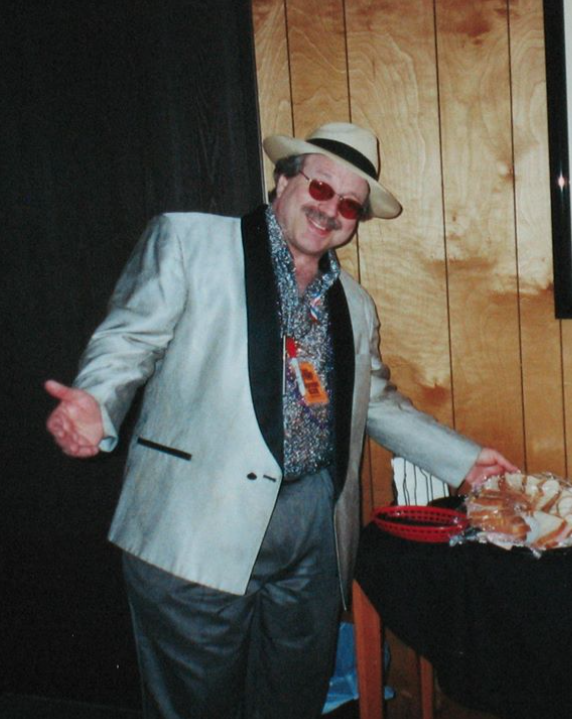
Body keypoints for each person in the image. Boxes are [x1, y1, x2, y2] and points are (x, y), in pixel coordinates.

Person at [45, 121, 517, 719]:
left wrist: (464, 460)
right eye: (321, 188)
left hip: (312, 535)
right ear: (284, 180)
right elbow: (128, 342)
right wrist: (96, 401)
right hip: (196, 527)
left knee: (293, 701)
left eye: (349, 204)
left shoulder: (355, 305)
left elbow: (375, 401)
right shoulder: (191, 243)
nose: (331, 210)